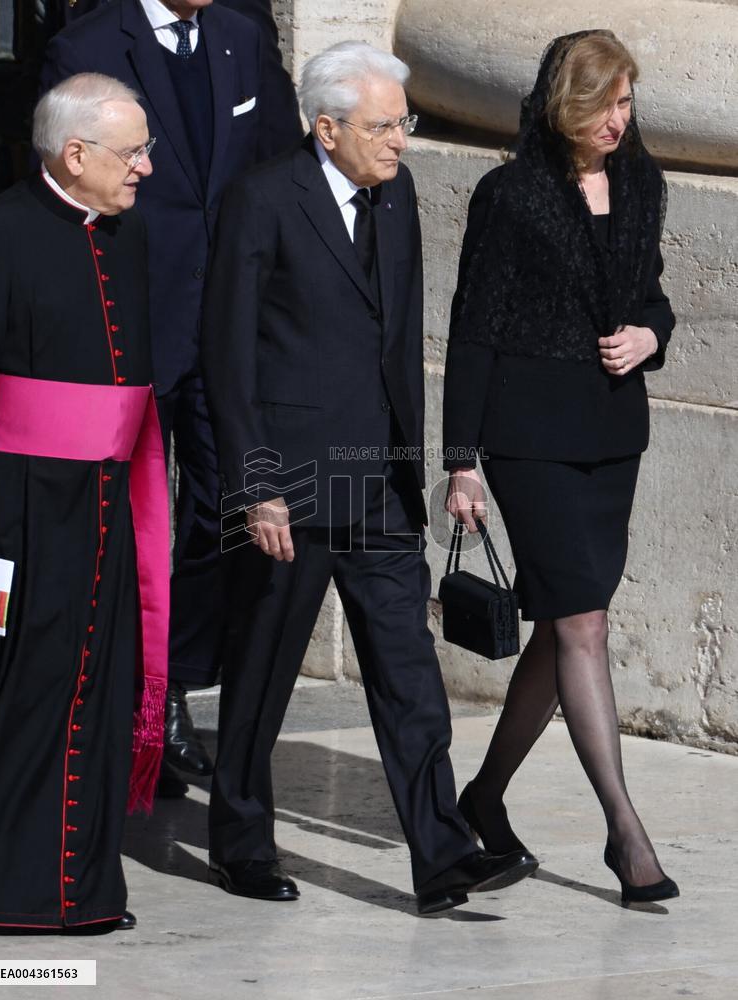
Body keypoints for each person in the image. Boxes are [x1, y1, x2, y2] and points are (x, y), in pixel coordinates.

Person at [201, 40, 537, 916]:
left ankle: (440, 857)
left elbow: (399, 343)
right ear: (326, 126)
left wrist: (423, 466)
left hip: (378, 479)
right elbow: (226, 356)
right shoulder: (261, 199)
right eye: (384, 125)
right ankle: (238, 839)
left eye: (405, 122)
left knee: (407, 669)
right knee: (263, 669)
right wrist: (254, 484)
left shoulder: (397, 196)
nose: (400, 140)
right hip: (287, 484)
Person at [40, 0, 302, 789]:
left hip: (232, 328)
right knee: (121, 518)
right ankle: (117, 700)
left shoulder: (242, 37)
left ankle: (175, 679)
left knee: (230, 509)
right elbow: (64, 194)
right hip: (131, 323)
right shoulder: (85, 46)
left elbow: (282, 166)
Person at [443, 30, 679, 904]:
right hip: (529, 440)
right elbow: (473, 328)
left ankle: (484, 794)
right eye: (604, 103)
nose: (618, 120)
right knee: (582, 625)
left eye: (627, 102)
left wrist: (651, 334)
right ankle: (626, 836)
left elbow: (650, 291)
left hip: (614, 436)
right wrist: (460, 461)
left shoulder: (643, 183)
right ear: (563, 104)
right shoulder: (507, 195)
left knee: (563, 625)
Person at [0, 73, 168, 930]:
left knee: (96, 687)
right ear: (75, 152)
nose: (148, 169)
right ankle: (1, 894)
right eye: (134, 152)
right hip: (17, 505)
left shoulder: (125, 237)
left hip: (104, 503)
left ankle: (80, 893)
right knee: (17, 688)